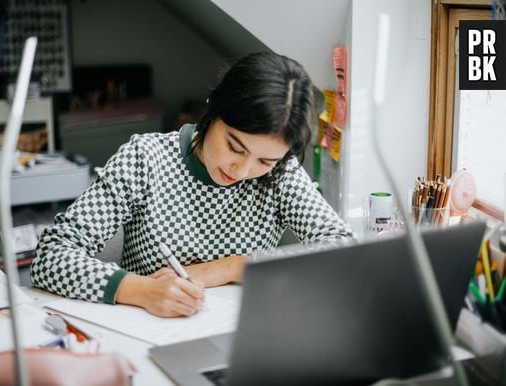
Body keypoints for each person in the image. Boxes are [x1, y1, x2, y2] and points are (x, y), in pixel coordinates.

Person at [31, 52, 355, 318]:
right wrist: (142, 291)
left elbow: (341, 252)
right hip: (150, 329)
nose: (241, 170)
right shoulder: (146, 158)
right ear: (213, 108)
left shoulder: (281, 173)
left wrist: (229, 268)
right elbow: (51, 256)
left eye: (265, 161)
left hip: (240, 334)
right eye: (235, 147)